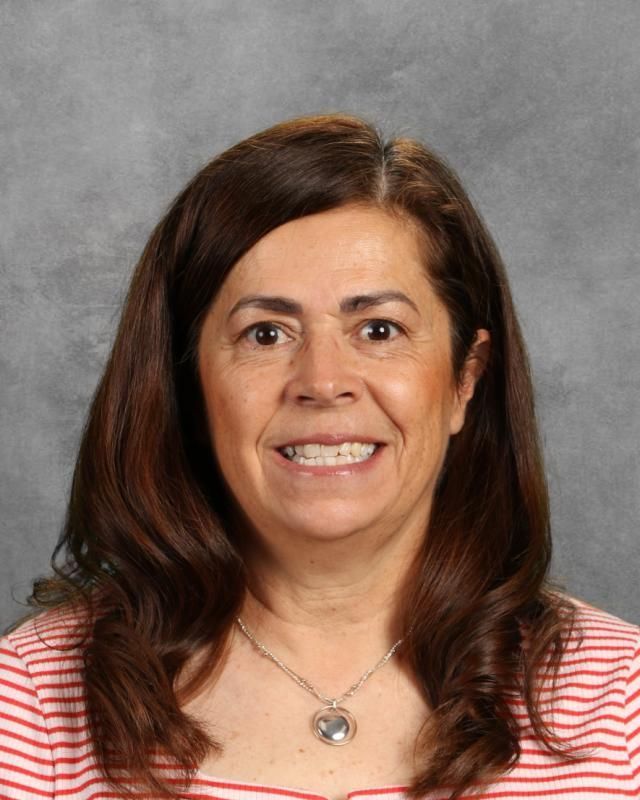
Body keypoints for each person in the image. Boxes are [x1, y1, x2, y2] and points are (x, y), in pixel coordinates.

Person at [1, 114, 638, 800]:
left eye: (379, 328)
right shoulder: (30, 707)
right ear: (186, 386)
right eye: (266, 333)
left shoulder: (621, 703)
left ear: (465, 379)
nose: (323, 381)